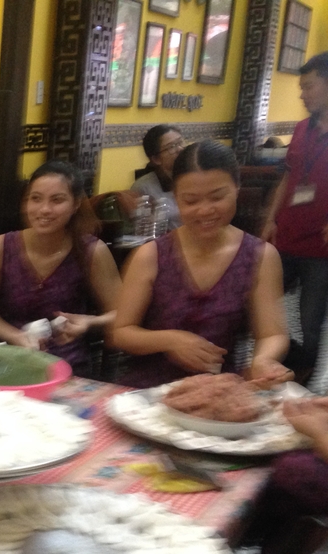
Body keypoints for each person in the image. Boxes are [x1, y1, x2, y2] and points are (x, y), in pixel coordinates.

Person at [113, 140, 291, 388]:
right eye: (191, 201)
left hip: (220, 389)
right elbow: (122, 331)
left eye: (217, 197)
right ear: (176, 197)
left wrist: (263, 360)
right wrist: (170, 340)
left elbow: (272, 333)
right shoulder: (151, 255)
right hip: (147, 392)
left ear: (237, 188)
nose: (205, 210)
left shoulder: (261, 256)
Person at [0, 160, 121, 377]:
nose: (44, 209)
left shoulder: (92, 252)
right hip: (5, 362)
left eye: (57, 200)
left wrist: (90, 322)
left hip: (67, 368)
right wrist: (17, 337)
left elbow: (124, 314)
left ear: (76, 204)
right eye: (36, 199)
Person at [260, 52, 328, 385]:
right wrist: (271, 218)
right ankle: (269, 369)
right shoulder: (302, 129)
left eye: (309, 86)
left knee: (310, 318)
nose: (303, 94)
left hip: (321, 246)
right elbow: (287, 178)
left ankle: (304, 382)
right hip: (286, 234)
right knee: (264, 304)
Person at [130, 124, 184, 232]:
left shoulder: (195, 176)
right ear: (156, 159)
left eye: (180, 142)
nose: (180, 149)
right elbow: (142, 230)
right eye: (171, 147)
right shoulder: (143, 188)